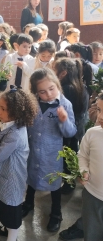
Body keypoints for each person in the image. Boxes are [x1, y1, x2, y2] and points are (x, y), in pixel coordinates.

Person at [0, 87, 38, 241]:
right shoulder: (9, 126)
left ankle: (12, 237)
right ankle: (6, 229)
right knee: (3, 207)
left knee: (11, 212)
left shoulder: (16, 135)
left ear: (16, 112)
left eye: (3, 109)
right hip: (4, 177)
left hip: (12, 180)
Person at [22, 68, 77, 232]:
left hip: (52, 154)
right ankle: (28, 203)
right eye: (43, 92)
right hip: (32, 150)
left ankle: (56, 212)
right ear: (36, 92)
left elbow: (71, 131)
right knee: (31, 178)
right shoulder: (32, 102)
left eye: (52, 88)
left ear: (57, 85)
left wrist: (64, 120)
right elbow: (26, 124)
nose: (49, 94)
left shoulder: (65, 104)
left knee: (54, 184)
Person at [54, 58, 89, 194]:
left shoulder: (66, 89)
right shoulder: (81, 85)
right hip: (78, 127)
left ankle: (69, 184)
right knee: (72, 155)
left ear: (63, 73)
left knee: (66, 157)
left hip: (68, 128)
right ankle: (71, 182)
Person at [78, 92, 103, 241]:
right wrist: (83, 171)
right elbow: (83, 156)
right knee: (91, 234)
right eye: (99, 110)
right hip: (92, 196)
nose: (100, 117)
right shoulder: (92, 134)